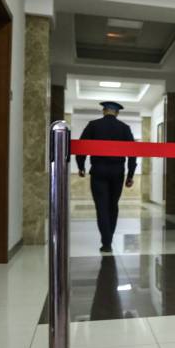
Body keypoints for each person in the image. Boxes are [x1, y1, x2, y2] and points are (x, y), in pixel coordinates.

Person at [75, 101, 137, 253]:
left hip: (99, 171)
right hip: (117, 172)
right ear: (117, 113)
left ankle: (106, 242)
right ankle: (109, 237)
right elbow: (133, 153)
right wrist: (130, 175)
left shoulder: (93, 125)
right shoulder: (124, 128)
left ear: (104, 111)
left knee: (101, 206)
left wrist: (81, 166)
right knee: (113, 205)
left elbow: (82, 146)